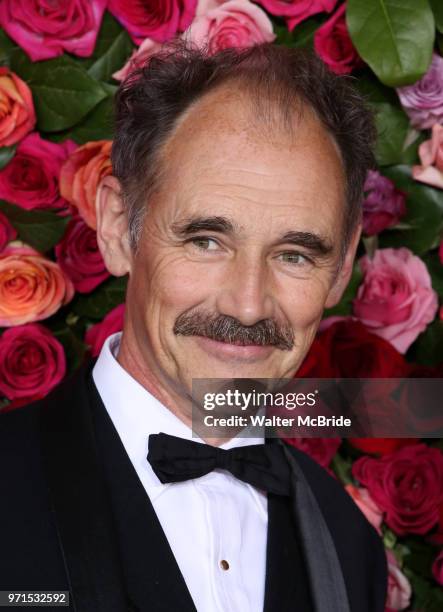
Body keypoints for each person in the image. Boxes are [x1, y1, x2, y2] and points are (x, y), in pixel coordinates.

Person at [0, 42, 387, 612]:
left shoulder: (349, 544)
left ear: (342, 268)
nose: (248, 306)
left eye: (294, 255)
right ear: (115, 227)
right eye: (206, 241)